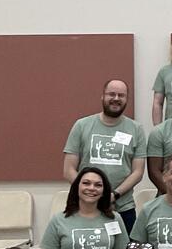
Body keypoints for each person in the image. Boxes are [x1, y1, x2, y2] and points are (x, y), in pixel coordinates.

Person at [63, 79, 146, 231]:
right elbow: (68, 170)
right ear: (102, 96)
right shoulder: (82, 126)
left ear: (127, 99)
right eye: (111, 94)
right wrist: (91, 193)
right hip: (84, 208)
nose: (116, 98)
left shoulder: (136, 129)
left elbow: (138, 172)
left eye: (121, 95)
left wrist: (113, 195)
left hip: (123, 208)